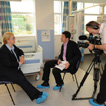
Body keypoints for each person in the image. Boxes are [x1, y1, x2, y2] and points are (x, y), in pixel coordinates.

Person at [0, 32, 48, 104]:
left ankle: (37, 93)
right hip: (5, 72)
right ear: (8, 40)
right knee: (21, 79)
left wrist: (22, 56)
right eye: (13, 38)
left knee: (23, 79)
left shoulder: (12, 46)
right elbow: (8, 64)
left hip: (13, 69)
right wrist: (20, 63)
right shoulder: (3, 50)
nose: (15, 39)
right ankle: (38, 95)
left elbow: (20, 51)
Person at [86, 21, 106, 106]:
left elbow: (105, 46)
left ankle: (100, 101)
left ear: (94, 26)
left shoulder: (105, 30)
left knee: (104, 81)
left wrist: (93, 46)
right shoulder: (103, 29)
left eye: (90, 31)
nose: (91, 33)